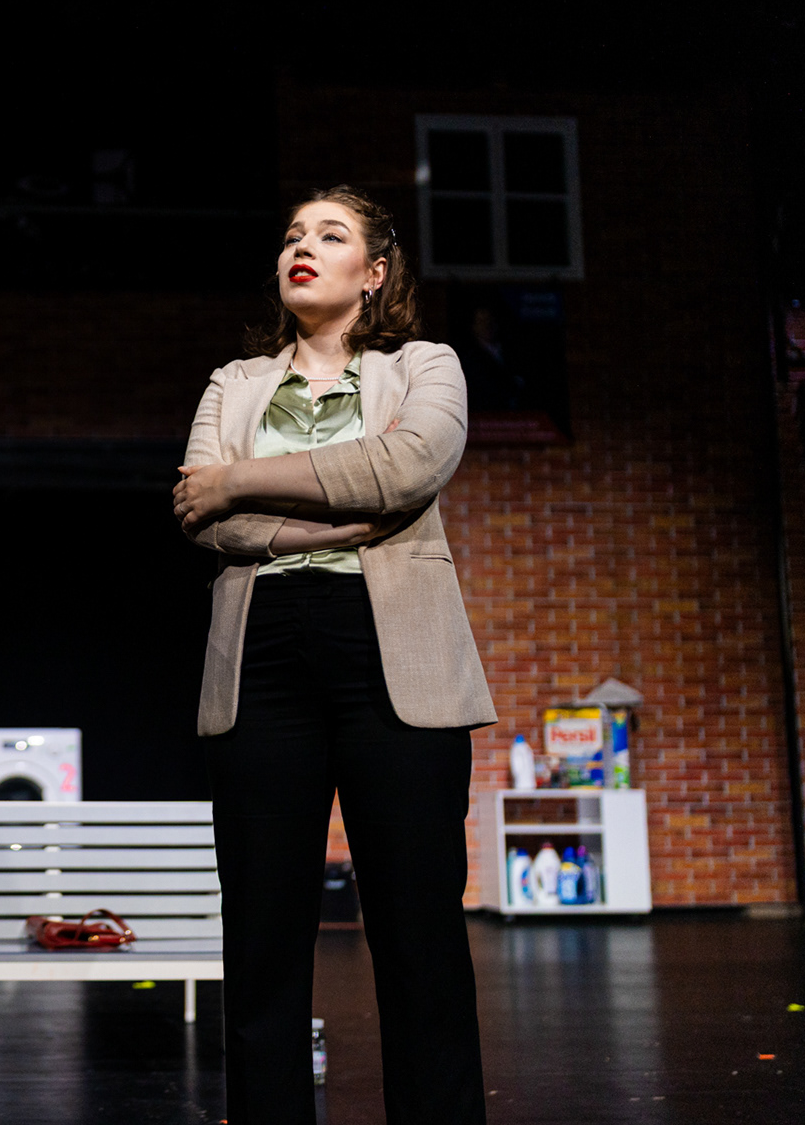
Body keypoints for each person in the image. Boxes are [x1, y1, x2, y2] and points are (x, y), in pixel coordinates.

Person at [172, 186, 496, 1124]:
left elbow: (404, 466)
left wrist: (242, 480)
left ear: (375, 271)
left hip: (391, 650)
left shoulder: (425, 366)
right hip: (261, 653)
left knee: (419, 933)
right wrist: (320, 523)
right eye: (291, 236)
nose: (301, 247)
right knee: (263, 941)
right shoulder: (235, 383)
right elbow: (201, 516)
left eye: (330, 234)